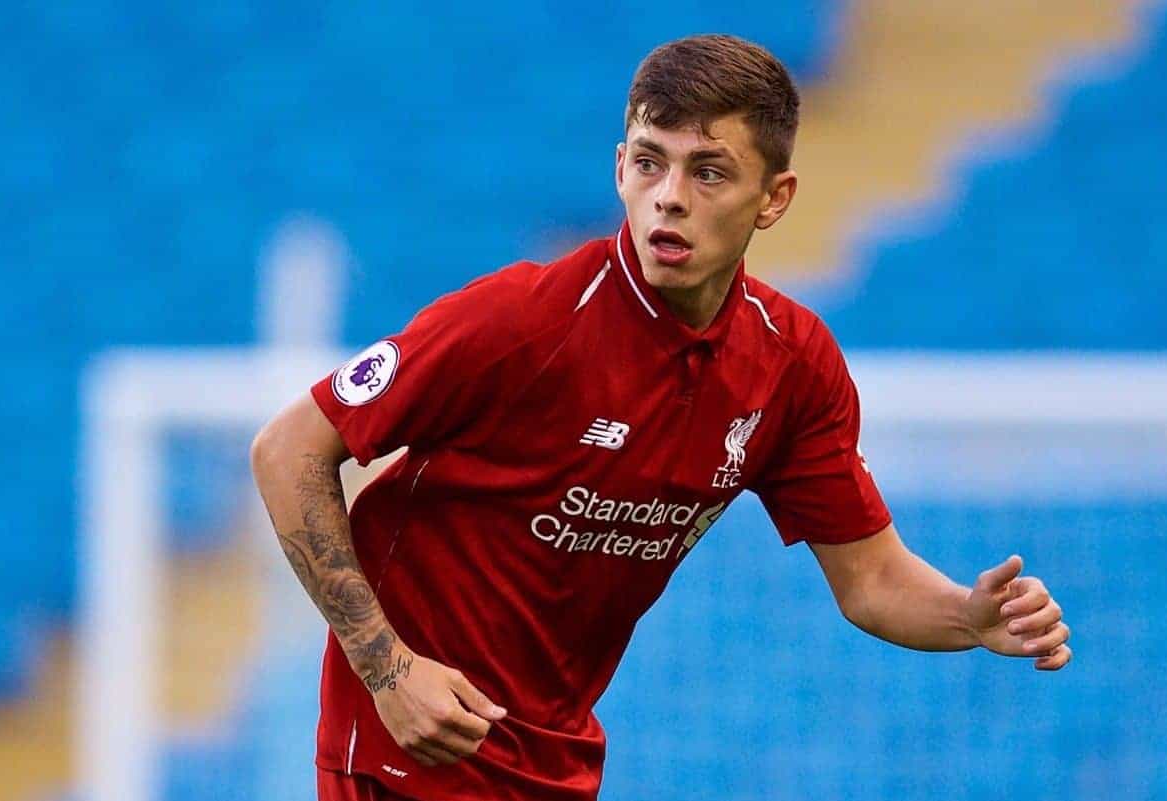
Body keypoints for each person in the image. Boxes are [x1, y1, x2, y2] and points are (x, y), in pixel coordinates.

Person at [250, 33, 1071, 801]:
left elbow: (873, 580)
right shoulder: (520, 321)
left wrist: (966, 615)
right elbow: (287, 449)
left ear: (773, 198)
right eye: (651, 163)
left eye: (708, 172)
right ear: (619, 170)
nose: (669, 198)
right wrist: (388, 670)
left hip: (554, 756)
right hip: (413, 747)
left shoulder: (792, 362)